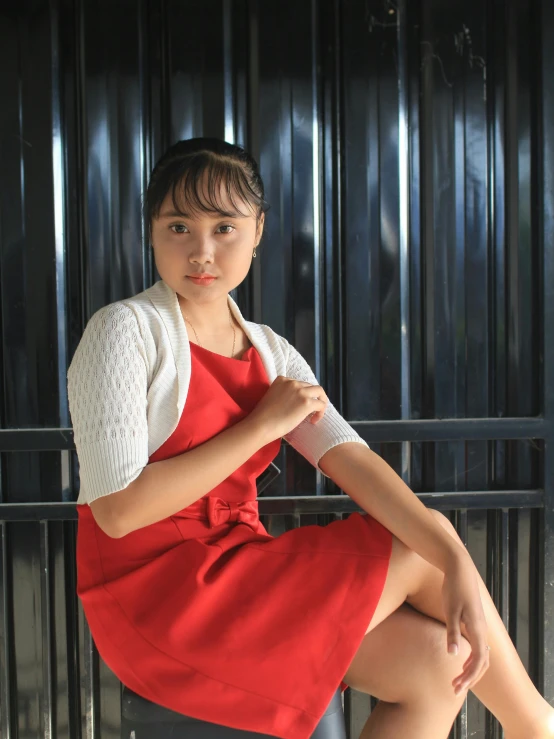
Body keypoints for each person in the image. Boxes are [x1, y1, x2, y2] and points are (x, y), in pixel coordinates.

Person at [67, 137, 554, 739]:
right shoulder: (124, 331)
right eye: (178, 226)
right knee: (412, 549)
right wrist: (261, 427)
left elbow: (355, 462)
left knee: (442, 665)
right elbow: (117, 512)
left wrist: (454, 554)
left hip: (235, 568)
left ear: (259, 230)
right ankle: (538, 727)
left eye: (225, 227)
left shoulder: (273, 352)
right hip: (153, 596)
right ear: (151, 231)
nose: (202, 251)